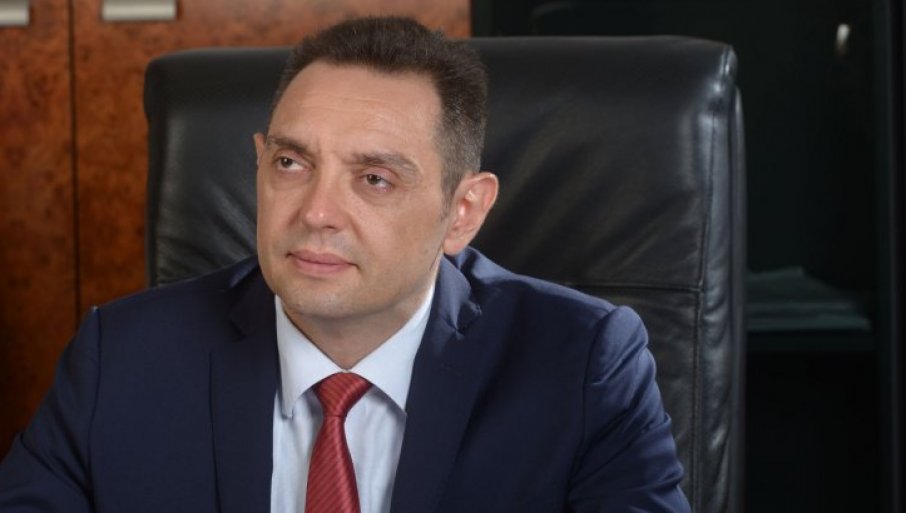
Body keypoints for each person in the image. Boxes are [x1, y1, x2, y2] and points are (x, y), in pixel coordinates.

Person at [0, 16, 691, 513]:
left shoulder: (582, 364)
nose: (316, 212)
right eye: (291, 163)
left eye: (375, 178)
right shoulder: (122, 357)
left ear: (463, 212)